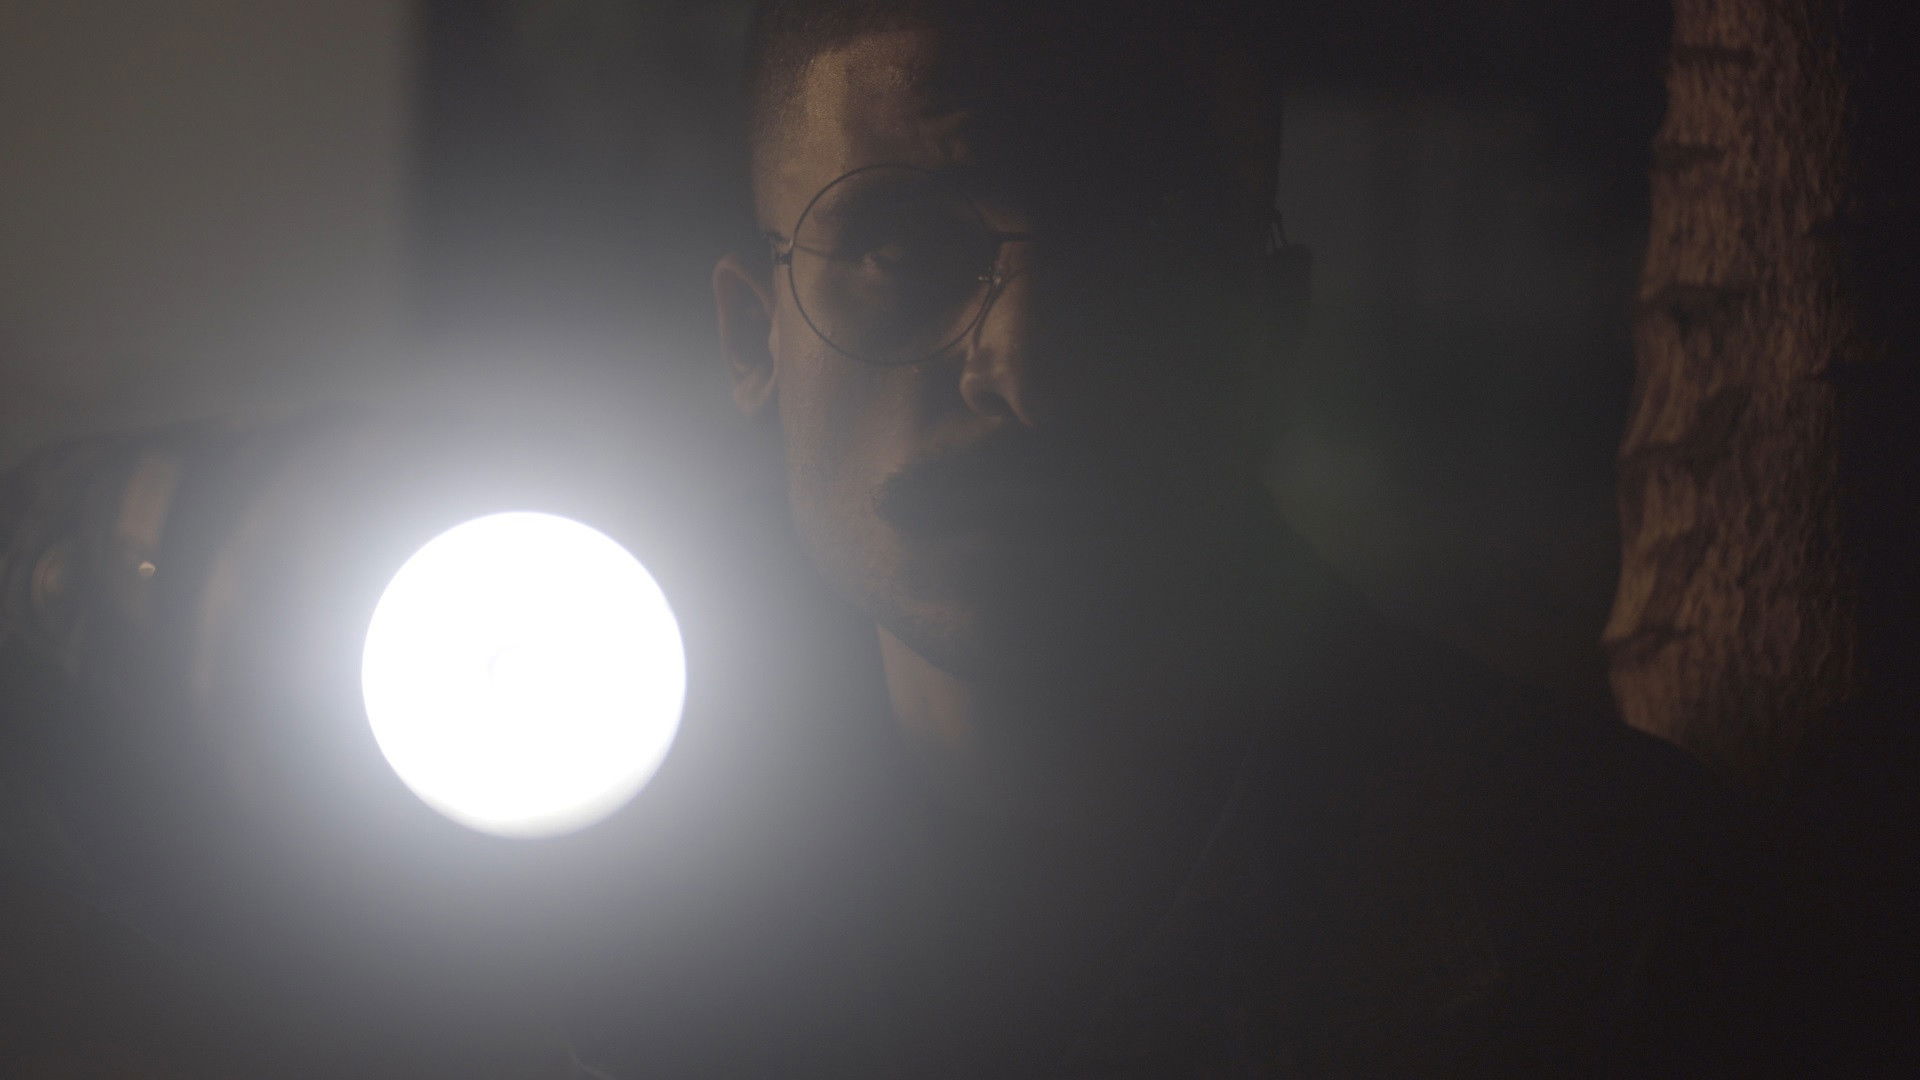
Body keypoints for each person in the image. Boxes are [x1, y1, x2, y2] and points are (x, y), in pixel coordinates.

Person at [584, 1, 1763, 1076]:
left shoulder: (1607, 908)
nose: (1027, 369)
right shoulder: (594, 901)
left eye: (1138, 251)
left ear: (1271, 339)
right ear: (750, 339)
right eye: (904, 248)